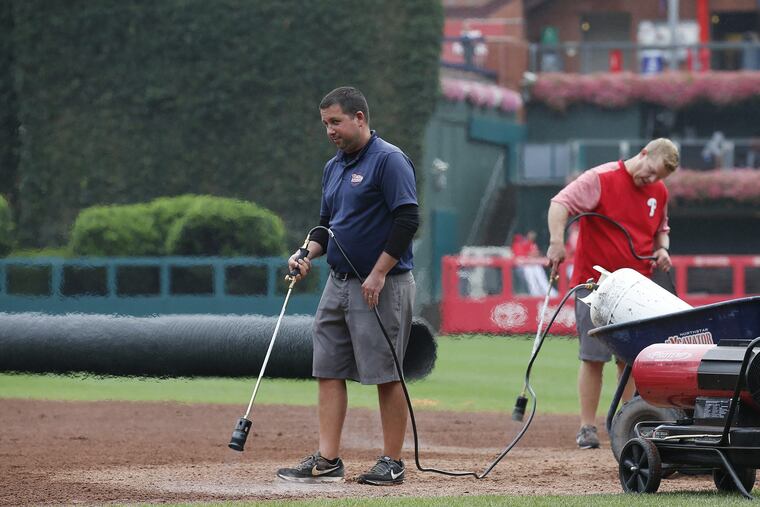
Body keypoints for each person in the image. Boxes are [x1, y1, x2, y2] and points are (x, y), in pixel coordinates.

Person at [277, 87, 418, 485]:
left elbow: (407, 220)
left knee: (385, 374)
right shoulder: (333, 167)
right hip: (337, 282)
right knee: (328, 369)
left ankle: (391, 462)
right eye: (325, 124)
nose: (330, 131)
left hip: (381, 285)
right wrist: (305, 253)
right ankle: (328, 459)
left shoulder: (389, 160)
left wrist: (377, 273)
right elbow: (326, 225)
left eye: (335, 121)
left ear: (360, 118)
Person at [546, 138, 679, 449]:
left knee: (630, 360)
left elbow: (662, 228)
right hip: (594, 286)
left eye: (659, 177)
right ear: (643, 153)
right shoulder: (601, 178)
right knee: (593, 358)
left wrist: (663, 249)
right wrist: (556, 241)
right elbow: (560, 204)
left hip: (636, 291)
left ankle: (626, 423)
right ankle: (587, 428)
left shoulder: (659, 191)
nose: (652, 180)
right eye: (651, 172)